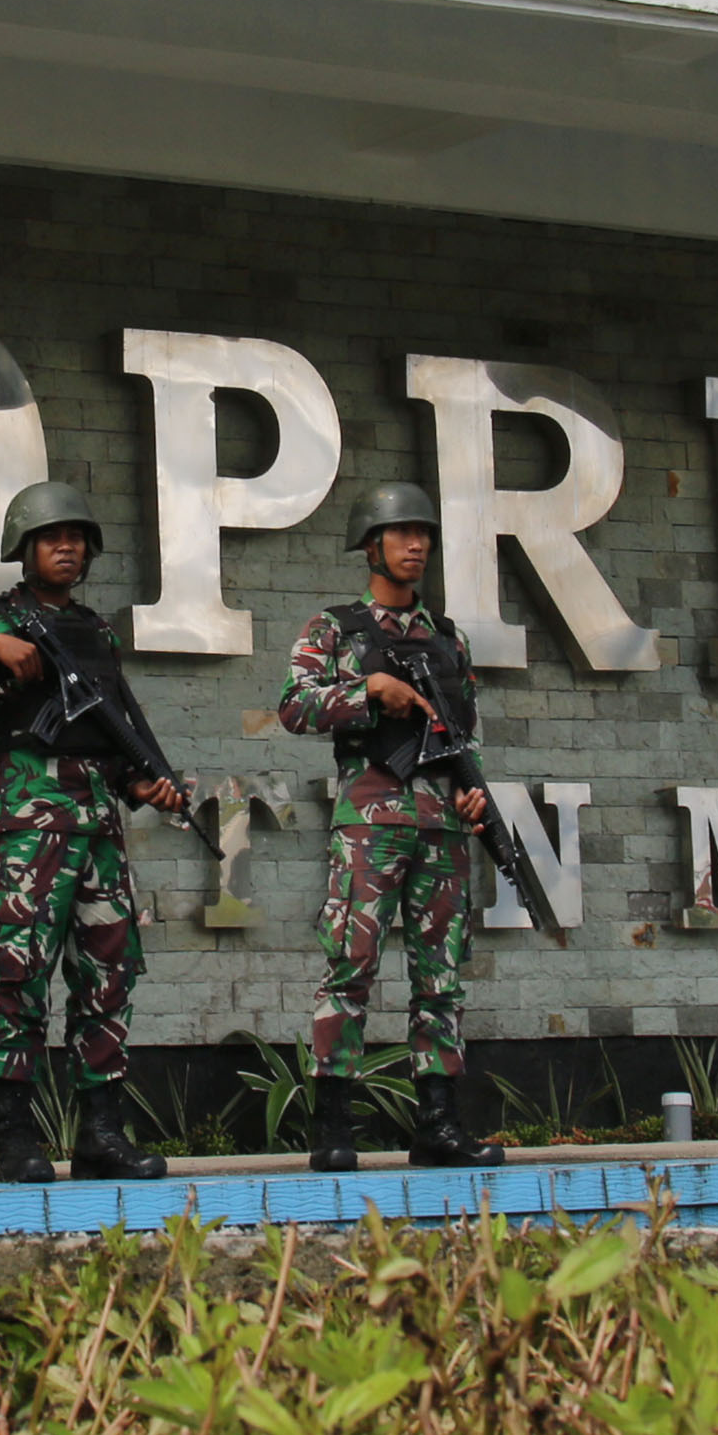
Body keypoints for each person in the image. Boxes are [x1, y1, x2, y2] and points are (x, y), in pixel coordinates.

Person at [0, 481, 187, 1185]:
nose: (67, 547)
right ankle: (15, 1137)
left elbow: (112, 728)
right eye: (52, 537)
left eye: (76, 538)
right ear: (25, 547)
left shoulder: (96, 631)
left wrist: (142, 783)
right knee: (21, 976)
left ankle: (101, 1135)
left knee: (108, 977)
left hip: (99, 825)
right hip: (32, 827)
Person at [276, 481, 506, 1172]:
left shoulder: (448, 637)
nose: (416, 544)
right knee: (351, 965)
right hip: (370, 823)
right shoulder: (335, 629)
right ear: (370, 545)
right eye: (402, 532)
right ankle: (332, 1124)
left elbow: (463, 735)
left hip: (442, 826)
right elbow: (294, 707)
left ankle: (438, 1122)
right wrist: (367, 691)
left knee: (442, 977)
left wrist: (473, 797)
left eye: (424, 533)